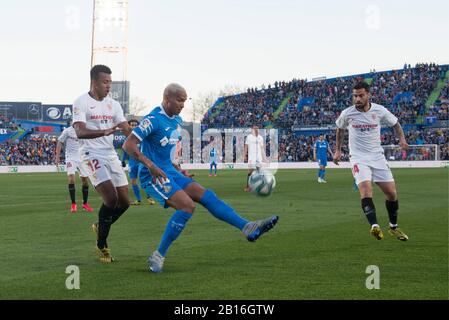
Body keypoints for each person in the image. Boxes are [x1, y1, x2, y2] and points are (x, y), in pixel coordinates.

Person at [122, 83, 278, 273]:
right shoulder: (153, 119)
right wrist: (151, 165)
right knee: (187, 206)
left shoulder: (177, 120)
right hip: (152, 175)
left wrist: (179, 169)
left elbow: (165, 154)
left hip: (169, 171)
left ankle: (247, 227)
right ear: (167, 98)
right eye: (180, 100)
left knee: (207, 195)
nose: (183, 104)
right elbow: (128, 145)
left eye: (184, 100)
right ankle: (158, 255)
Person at [333, 81, 409, 241]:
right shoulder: (347, 113)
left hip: (377, 157)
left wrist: (402, 139)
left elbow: (396, 123)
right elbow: (339, 129)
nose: (357, 99)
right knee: (366, 190)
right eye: (355, 96)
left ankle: (393, 228)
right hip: (358, 158)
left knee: (391, 194)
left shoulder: (379, 110)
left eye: (361, 95)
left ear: (368, 94)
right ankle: (374, 226)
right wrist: (338, 150)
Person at [72, 64, 132, 263]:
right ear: (94, 82)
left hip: (110, 154)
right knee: (111, 198)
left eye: (110, 82)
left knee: (125, 202)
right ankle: (102, 246)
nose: (108, 86)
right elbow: (80, 131)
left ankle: (100, 225)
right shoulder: (81, 102)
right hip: (90, 153)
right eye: (105, 82)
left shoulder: (114, 105)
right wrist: (103, 132)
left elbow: (124, 127)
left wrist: (140, 138)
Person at [55, 125, 93, 213]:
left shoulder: (83, 131)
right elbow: (60, 142)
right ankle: (73, 204)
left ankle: (85, 204)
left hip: (82, 158)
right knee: (71, 178)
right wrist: (57, 156)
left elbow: (87, 145)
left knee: (85, 180)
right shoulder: (67, 131)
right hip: (70, 157)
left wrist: (89, 158)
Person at [121, 119, 156, 205]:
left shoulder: (142, 137)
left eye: (135, 125)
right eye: (132, 125)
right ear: (129, 126)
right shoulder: (127, 139)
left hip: (142, 162)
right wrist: (123, 160)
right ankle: (138, 200)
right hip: (132, 163)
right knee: (133, 181)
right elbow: (125, 151)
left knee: (144, 179)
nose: (133, 126)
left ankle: (149, 197)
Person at [244, 125, 265, 192]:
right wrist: (244, 155)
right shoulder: (249, 137)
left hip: (259, 157)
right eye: (255, 128)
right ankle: (248, 187)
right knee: (250, 171)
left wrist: (264, 157)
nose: (256, 129)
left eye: (257, 128)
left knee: (260, 171)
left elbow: (262, 148)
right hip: (251, 157)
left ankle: (261, 187)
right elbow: (246, 146)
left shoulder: (261, 138)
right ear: (252, 130)